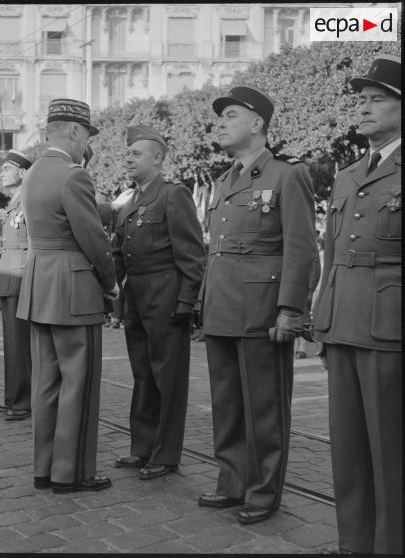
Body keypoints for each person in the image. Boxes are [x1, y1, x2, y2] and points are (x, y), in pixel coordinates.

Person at [197, 85, 316, 524]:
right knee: (226, 405)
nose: (221, 122)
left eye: (230, 115)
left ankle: (264, 493)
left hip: (263, 310)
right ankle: (232, 483)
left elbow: (301, 248)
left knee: (264, 409)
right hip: (223, 308)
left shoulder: (287, 174)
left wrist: (290, 309)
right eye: (221, 116)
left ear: (258, 123)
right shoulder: (226, 178)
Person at [313, 55, 402, 555]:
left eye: (378, 99)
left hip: (389, 327)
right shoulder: (348, 175)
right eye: (361, 101)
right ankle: (355, 545)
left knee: (391, 451)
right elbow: (331, 252)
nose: (364, 109)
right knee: (347, 449)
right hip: (342, 319)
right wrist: (320, 317)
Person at [16, 98, 119, 494]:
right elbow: (91, 238)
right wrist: (110, 282)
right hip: (73, 288)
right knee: (79, 381)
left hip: (39, 284)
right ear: (75, 131)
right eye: (86, 135)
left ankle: (44, 468)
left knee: (46, 383)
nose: (85, 145)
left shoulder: (34, 172)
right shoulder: (73, 175)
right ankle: (71, 472)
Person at [113, 125, 206, 480]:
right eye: (128, 153)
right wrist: (118, 299)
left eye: (136, 153)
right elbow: (120, 251)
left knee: (167, 377)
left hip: (166, 293)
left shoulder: (174, 195)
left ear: (158, 158)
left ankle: (165, 455)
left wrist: (186, 301)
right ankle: (142, 447)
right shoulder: (130, 201)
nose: (129, 158)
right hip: (137, 295)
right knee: (142, 375)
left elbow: (192, 253)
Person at [0, 149, 34, 421]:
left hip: (21, 277)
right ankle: (13, 395)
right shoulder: (12, 204)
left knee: (21, 343)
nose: (1, 173)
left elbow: (34, 244)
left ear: (21, 172)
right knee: (11, 343)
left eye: (6, 168)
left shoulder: (29, 202)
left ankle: (24, 399)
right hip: (8, 277)